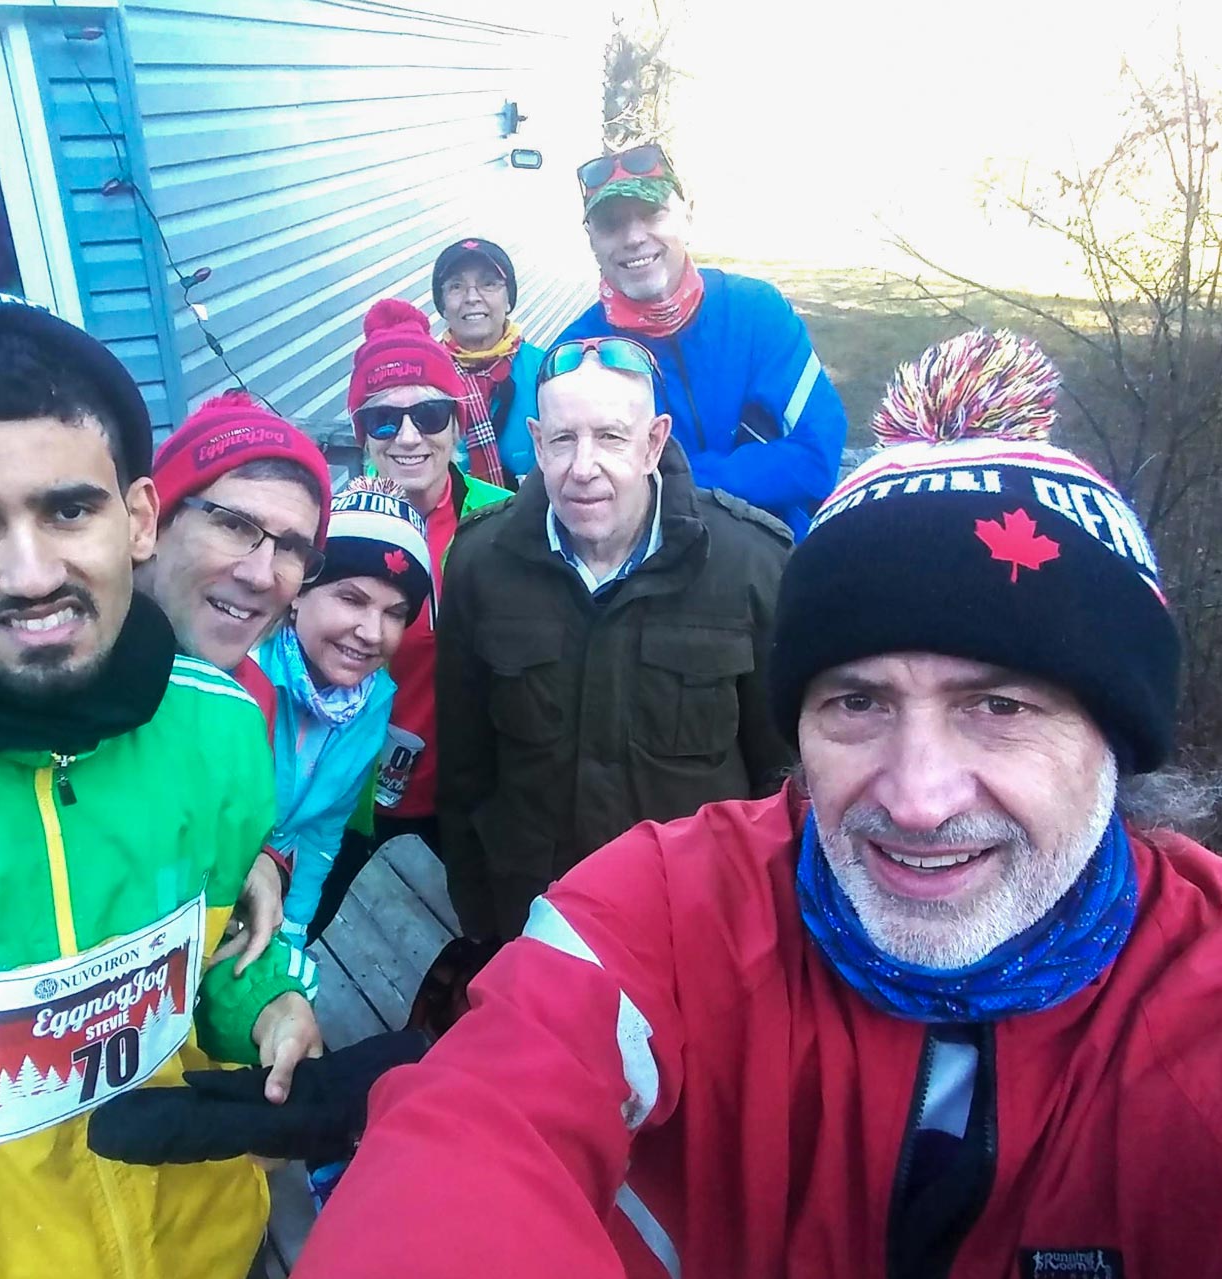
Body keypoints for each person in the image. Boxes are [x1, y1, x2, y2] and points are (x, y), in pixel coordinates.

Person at [291, 330, 1221, 1278]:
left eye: (1000, 707)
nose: (917, 798)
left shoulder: (1195, 1013)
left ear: (1118, 732)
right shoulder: (672, 905)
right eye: (858, 703)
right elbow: (480, 1129)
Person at [0, 291, 321, 1279]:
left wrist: (268, 1005)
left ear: (137, 518)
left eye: (67, 509)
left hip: (203, 1250)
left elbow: (217, 958)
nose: (30, 572)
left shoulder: (222, 727)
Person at [435, 335, 791, 941]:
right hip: (533, 923)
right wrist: (484, 928)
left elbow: (782, 780)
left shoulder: (752, 566)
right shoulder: (479, 563)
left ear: (654, 443)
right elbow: (464, 772)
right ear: (537, 443)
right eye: (563, 440)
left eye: (610, 438)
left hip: (694, 928)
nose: (583, 468)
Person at [307, 299, 509, 936]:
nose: (409, 436)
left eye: (429, 414)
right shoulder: (328, 529)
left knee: (483, 942)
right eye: (383, 419)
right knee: (307, 936)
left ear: (456, 421)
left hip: (474, 792)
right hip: (353, 794)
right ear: (362, 432)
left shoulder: (506, 520)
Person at [555, 143, 849, 538]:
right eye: (611, 224)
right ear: (592, 240)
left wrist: (673, 477)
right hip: (654, 565)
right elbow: (589, 496)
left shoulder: (757, 311)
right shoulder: (574, 357)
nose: (634, 237)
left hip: (779, 550)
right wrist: (756, 465)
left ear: (687, 216)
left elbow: (816, 458)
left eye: (652, 213)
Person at [258, 477, 434, 945]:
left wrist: (293, 933)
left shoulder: (372, 701)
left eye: (395, 613)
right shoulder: (245, 674)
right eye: (352, 599)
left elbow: (323, 828)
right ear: (299, 591)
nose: (372, 632)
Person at [143, 388, 333, 722]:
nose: (260, 576)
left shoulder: (253, 703)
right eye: (233, 525)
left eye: (291, 547)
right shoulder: (59, 686)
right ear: (153, 524)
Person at [432, 236, 543, 487]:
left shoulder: (546, 371)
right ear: (442, 305)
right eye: (456, 286)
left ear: (509, 299)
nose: (472, 297)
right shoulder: (424, 378)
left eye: (488, 283)